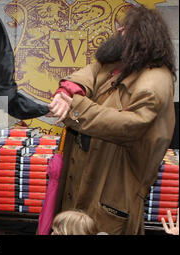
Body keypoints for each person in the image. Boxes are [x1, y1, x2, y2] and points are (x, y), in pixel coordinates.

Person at [47, 6, 176, 235]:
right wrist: (68, 90)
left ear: (144, 36)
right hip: (85, 178)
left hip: (111, 189)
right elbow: (93, 69)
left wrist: (74, 107)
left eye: (126, 29)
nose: (119, 31)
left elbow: (131, 125)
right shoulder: (121, 65)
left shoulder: (155, 82)